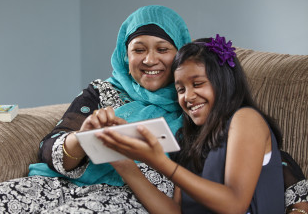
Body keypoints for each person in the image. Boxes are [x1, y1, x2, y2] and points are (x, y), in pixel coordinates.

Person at [0, 5, 192, 213]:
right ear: (125, 55)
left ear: (181, 55)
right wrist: (82, 138)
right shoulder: (101, 92)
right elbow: (48, 147)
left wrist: (125, 162)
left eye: (162, 49)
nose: (150, 60)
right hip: (63, 185)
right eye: (138, 50)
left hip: (132, 196)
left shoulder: (191, 104)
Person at [96, 35, 288, 213]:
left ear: (224, 82)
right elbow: (175, 211)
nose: (188, 97)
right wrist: (124, 164)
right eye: (180, 89)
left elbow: (235, 204)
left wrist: (159, 162)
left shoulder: (246, 119)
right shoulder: (190, 138)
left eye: (197, 84)